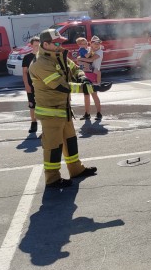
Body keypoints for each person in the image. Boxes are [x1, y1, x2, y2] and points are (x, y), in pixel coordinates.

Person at [28, 29, 98, 188]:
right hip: (51, 112)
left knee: (70, 141)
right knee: (53, 146)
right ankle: (52, 179)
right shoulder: (40, 63)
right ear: (46, 44)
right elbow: (61, 85)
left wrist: (83, 78)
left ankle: (76, 169)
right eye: (57, 43)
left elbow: (74, 68)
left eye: (61, 42)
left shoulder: (58, 55)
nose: (60, 45)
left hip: (64, 109)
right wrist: (85, 88)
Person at [77, 36, 103, 120]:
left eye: (98, 43)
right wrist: (80, 60)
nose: (97, 45)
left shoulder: (99, 52)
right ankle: (87, 114)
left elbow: (90, 60)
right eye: (95, 43)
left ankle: (99, 113)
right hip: (86, 73)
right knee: (86, 95)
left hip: (93, 74)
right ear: (91, 43)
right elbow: (81, 59)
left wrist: (80, 59)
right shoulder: (87, 49)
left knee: (94, 95)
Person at [22, 36, 40, 134]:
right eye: (36, 45)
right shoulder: (27, 57)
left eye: (39, 45)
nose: (38, 47)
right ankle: (34, 123)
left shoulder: (44, 56)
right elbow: (24, 73)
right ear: (31, 45)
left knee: (44, 105)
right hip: (31, 84)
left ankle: (45, 125)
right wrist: (26, 85)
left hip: (42, 86)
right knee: (32, 105)